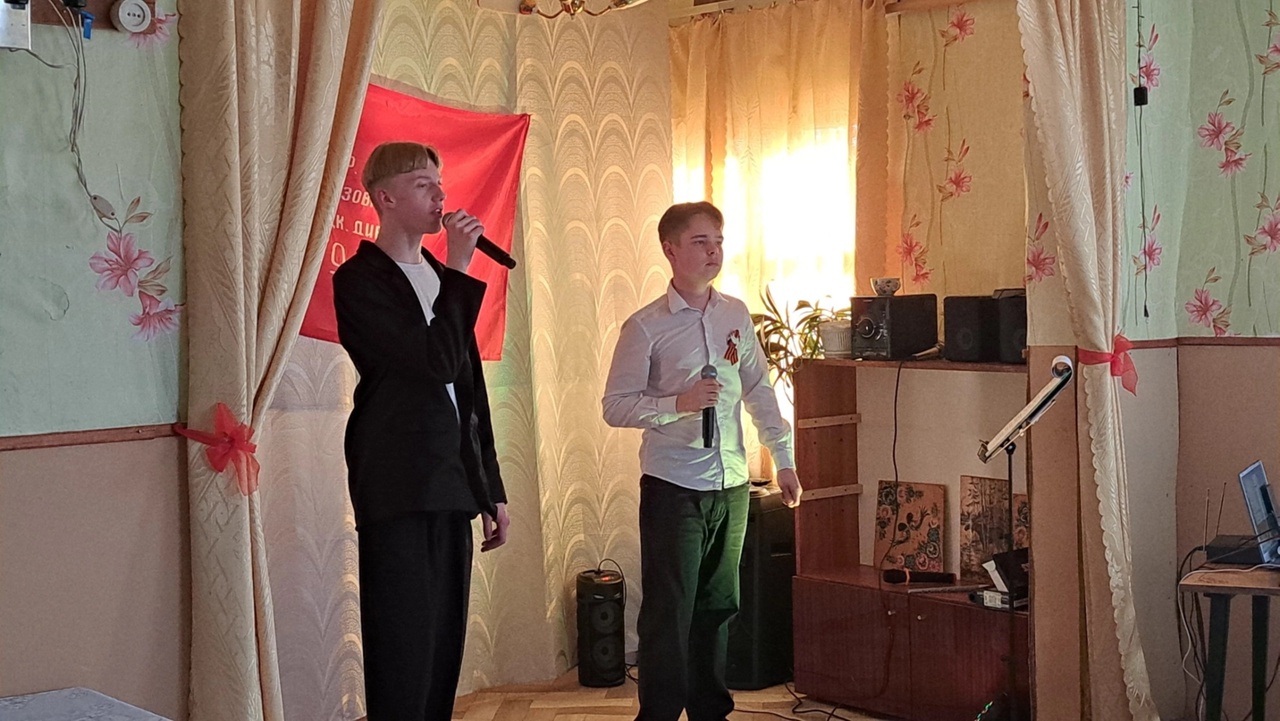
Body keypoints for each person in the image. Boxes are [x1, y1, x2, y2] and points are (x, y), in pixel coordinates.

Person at [602, 201, 802, 721]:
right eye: (700, 242)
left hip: (731, 483)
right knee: (670, 612)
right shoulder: (645, 326)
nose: (714, 251)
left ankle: (712, 711)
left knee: (718, 605)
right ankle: (660, 714)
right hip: (674, 485)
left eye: (718, 241)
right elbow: (615, 406)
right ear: (670, 249)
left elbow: (757, 388)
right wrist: (679, 404)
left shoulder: (734, 314)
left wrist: (783, 458)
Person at [333, 141, 510, 720]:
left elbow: (468, 390)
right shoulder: (359, 279)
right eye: (421, 183)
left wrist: (490, 487)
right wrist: (459, 267)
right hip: (398, 482)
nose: (439, 194)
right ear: (384, 198)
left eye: (440, 182)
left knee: (441, 650)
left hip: (451, 482)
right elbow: (432, 364)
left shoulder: (439, 275)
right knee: (403, 648)